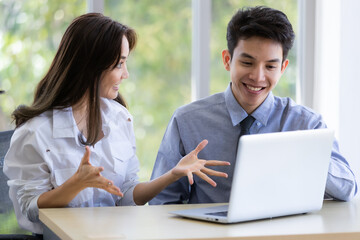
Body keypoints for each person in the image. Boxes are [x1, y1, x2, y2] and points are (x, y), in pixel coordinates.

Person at [3, 13, 230, 234]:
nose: (126, 74)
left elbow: (128, 195)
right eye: (119, 64)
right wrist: (76, 184)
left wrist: (173, 174)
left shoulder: (120, 119)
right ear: (91, 66)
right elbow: (30, 209)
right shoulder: (35, 132)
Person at [150, 6, 358, 205]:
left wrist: (301, 155)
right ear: (227, 60)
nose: (258, 77)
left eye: (270, 66)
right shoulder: (187, 121)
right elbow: (161, 201)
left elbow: (348, 189)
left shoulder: (306, 123)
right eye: (247, 63)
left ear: (283, 68)